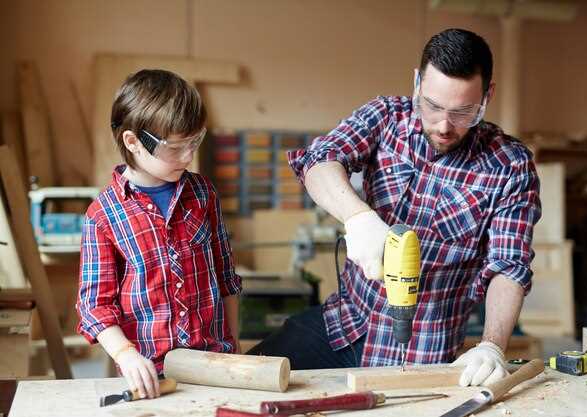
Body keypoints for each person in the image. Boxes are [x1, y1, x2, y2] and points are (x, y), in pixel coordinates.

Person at [248, 28, 541, 387]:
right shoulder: (386, 117)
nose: (444, 126)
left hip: (424, 352)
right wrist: (358, 217)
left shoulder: (509, 165)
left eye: (463, 112)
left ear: (487, 96)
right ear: (417, 83)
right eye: (432, 106)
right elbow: (320, 161)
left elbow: (509, 266)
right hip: (345, 325)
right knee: (243, 381)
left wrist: (492, 346)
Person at [76, 69, 241, 399]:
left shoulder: (203, 194)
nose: (189, 156)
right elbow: (94, 305)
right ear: (133, 142)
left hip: (214, 363)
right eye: (176, 147)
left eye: (194, 142)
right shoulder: (103, 216)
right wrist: (125, 354)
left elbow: (226, 279)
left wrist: (234, 346)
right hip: (152, 374)